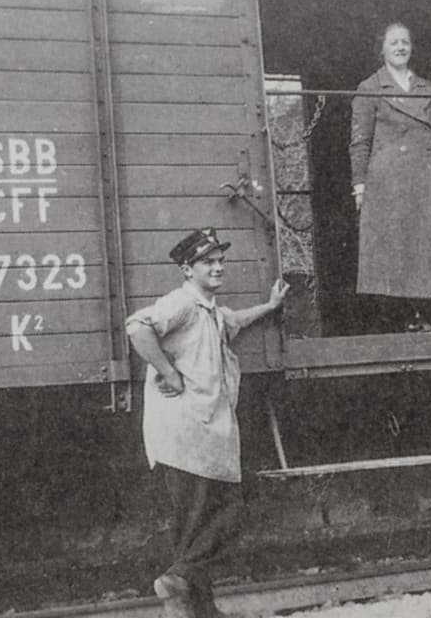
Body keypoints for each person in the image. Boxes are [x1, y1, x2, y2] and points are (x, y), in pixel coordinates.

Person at [125, 228, 289, 618]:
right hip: (186, 432)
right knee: (234, 508)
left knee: (194, 525)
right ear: (187, 269)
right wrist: (168, 372)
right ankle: (179, 580)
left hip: (199, 434)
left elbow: (234, 320)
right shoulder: (182, 302)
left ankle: (198, 606)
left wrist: (269, 306)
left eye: (220, 261)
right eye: (207, 263)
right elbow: (137, 327)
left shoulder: (209, 311)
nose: (218, 268)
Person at [349, 21, 431, 332]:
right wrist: (360, 187)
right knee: (399, 246)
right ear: (381, 49)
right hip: (389, 182)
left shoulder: (426, 87)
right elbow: (360, 141)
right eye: (394, 42)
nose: (400, 47)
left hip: (427, 177)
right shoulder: (369, 88)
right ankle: (409, 317)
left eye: (405, 42)